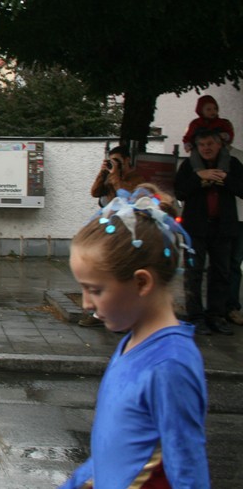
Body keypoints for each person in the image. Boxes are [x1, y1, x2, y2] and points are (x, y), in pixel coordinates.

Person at [61, 187, 209, 488]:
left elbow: (188, 469)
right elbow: (112, 452)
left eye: (95, 290)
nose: (86, 304)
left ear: (141, 282)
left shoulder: (170, 366)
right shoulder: (133, 343)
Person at [174, 128, 243, 336]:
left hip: (223, 227)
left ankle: (216, 315)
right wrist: (199, 177)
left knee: (221, 272)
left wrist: (225, 178)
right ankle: (196, 316)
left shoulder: (232, 164)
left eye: (210, 144)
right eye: (202, 145)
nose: (206, 148)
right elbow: (179, 192)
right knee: (193, 273)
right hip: (196, 228)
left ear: (219, 145)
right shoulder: (189, 165)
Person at [182, 94, 234, 171]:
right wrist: (187, 144)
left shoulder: (221, 122)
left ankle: (222, 170)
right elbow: (188, 136)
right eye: (208, 109)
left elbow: (230, 133)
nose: (213, 111)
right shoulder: (195, 123)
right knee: (194, 154)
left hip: (219, 146)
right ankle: (199, 170)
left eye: (215, 109)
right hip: (198, 147)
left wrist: (226, 135)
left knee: (224, 153)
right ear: (201, 111)